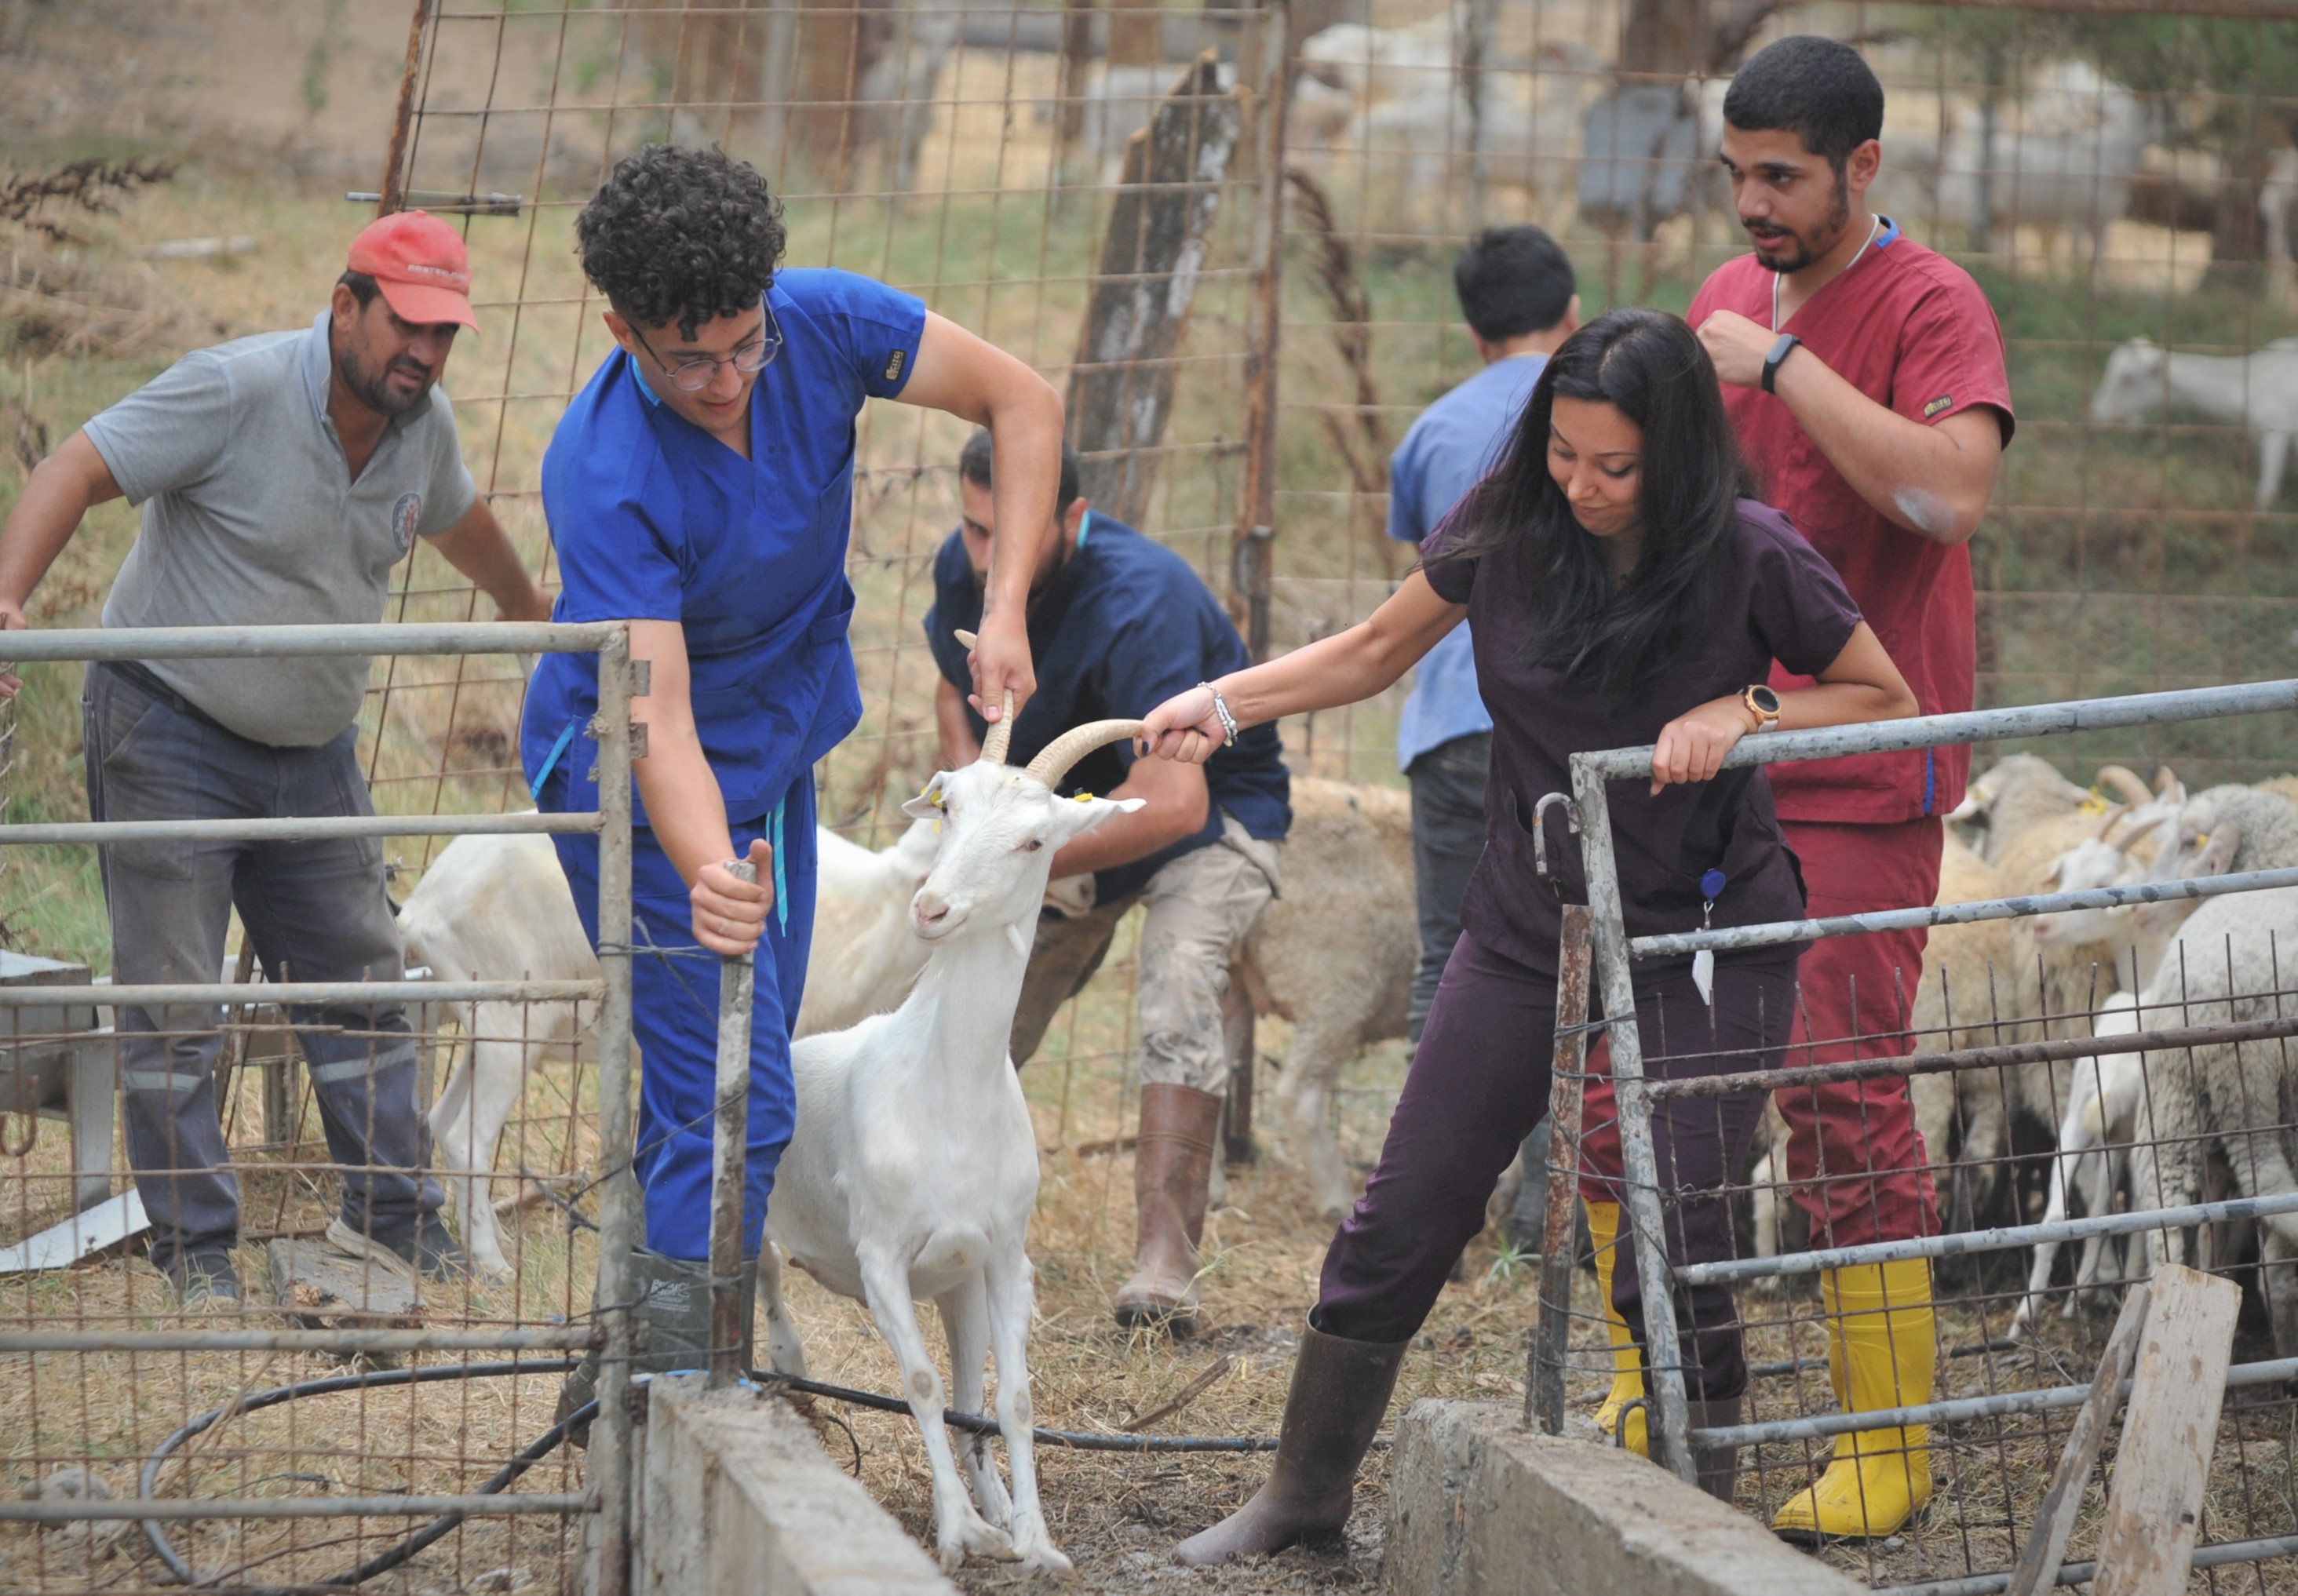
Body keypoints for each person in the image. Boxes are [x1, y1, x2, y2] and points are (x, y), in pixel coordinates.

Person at [1136, 309, 1919, 1563]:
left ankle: (1693, 1514)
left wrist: (1750, 702)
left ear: (1675, 455)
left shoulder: (1749, 550)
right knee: (1407, 1206)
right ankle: (1302, 1498)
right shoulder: (1513, 521)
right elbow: (1379, 647)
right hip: (1531, 917)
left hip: (1700, 929)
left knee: (1683, 1216)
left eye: (1616, 466)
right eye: (1565, 453)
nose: (1585, 486)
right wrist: (1222, 702)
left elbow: (1885, 692)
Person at [523, 146, 1060, 1412]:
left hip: (771, 753)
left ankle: (658, 1346)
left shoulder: (820, 326)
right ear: (620, 330)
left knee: (728, 1064)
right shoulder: (602, 471)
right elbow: (649, 714)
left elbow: (1021, 400)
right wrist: (708, 870)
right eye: (687, 359)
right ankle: (671, 1391)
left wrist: (1003, 606)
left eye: (741, 344)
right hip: (638, 780)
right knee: (736, 1095)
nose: (725, 381)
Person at [1590, 36, 2011, 1543]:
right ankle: (1668, 1383)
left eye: (1783, 177)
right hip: (1705, 759)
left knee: (1838, 1092)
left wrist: (1776, 362)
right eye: (1736, 175)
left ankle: (1883, 1439)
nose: (1754, 204)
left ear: (1862, 169)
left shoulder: (1926, 304)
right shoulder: (1714, 294)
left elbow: (1947, 495)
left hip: (1853, 759)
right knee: (1621, 1078)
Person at [0, 212, 552, 1306]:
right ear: (346, 305)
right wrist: (7, 603)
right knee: (176, 1000)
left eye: (446, 335)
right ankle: (197, 1247)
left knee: (365, 984)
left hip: (312, 748)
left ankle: (398, 1218)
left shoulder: (420, 426)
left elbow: (462, 520)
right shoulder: (233, 390)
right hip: (169, 726)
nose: (426, 354)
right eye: (409, 325)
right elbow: (78, 463)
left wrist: (532, 609)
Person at [923, 430, 1289, 1335]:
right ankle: (929, 1216)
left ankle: (1165, 1261)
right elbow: (948, 689)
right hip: (1053, 827)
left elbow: (1171, 802)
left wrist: (1013, 852)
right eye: (974, 530)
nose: (984, 556)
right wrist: (980, 817)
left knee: (1175, 987)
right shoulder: (956, 570)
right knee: (975, 1001)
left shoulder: (1142, 601)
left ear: (1072, 518)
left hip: (1207, 821)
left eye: (1005, 534)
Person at [1387, 225, 1577, 1250]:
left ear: (1471, 333)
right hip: (1558, 742)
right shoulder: (1606, 416)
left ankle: (1431, 1213)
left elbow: (1425, 581)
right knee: (1566, 966)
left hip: (1448, 733)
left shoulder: (1429, 433)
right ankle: (1552, 1217)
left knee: (1444, 964)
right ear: (1575, 317)